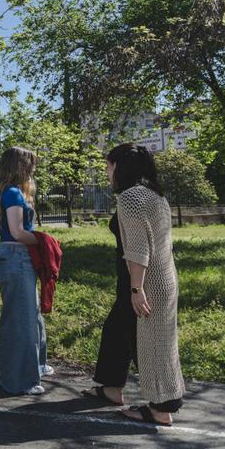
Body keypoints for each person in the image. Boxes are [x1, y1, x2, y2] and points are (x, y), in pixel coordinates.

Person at [82, 143, 185, 426]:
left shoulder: (130, 198)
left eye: (108, 165)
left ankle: (162, 408)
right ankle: (112, 387)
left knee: (150, 344)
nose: (106, 171)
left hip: (143, 279)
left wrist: (137, 290)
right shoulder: (155, 195)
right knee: (118, 329)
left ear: (119, 166)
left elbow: (139, 250)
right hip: (163, 276)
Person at [0, 147, 50, 396]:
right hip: (16, 257)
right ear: (20, 166)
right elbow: (17, 232)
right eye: (30, 165)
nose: (33, 170)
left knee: (27, 315)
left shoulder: (10, 192)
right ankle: (20, 381)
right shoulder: (13, 193)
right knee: (21, 320)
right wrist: (44, 241)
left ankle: (32, 368)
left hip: (15, 258)